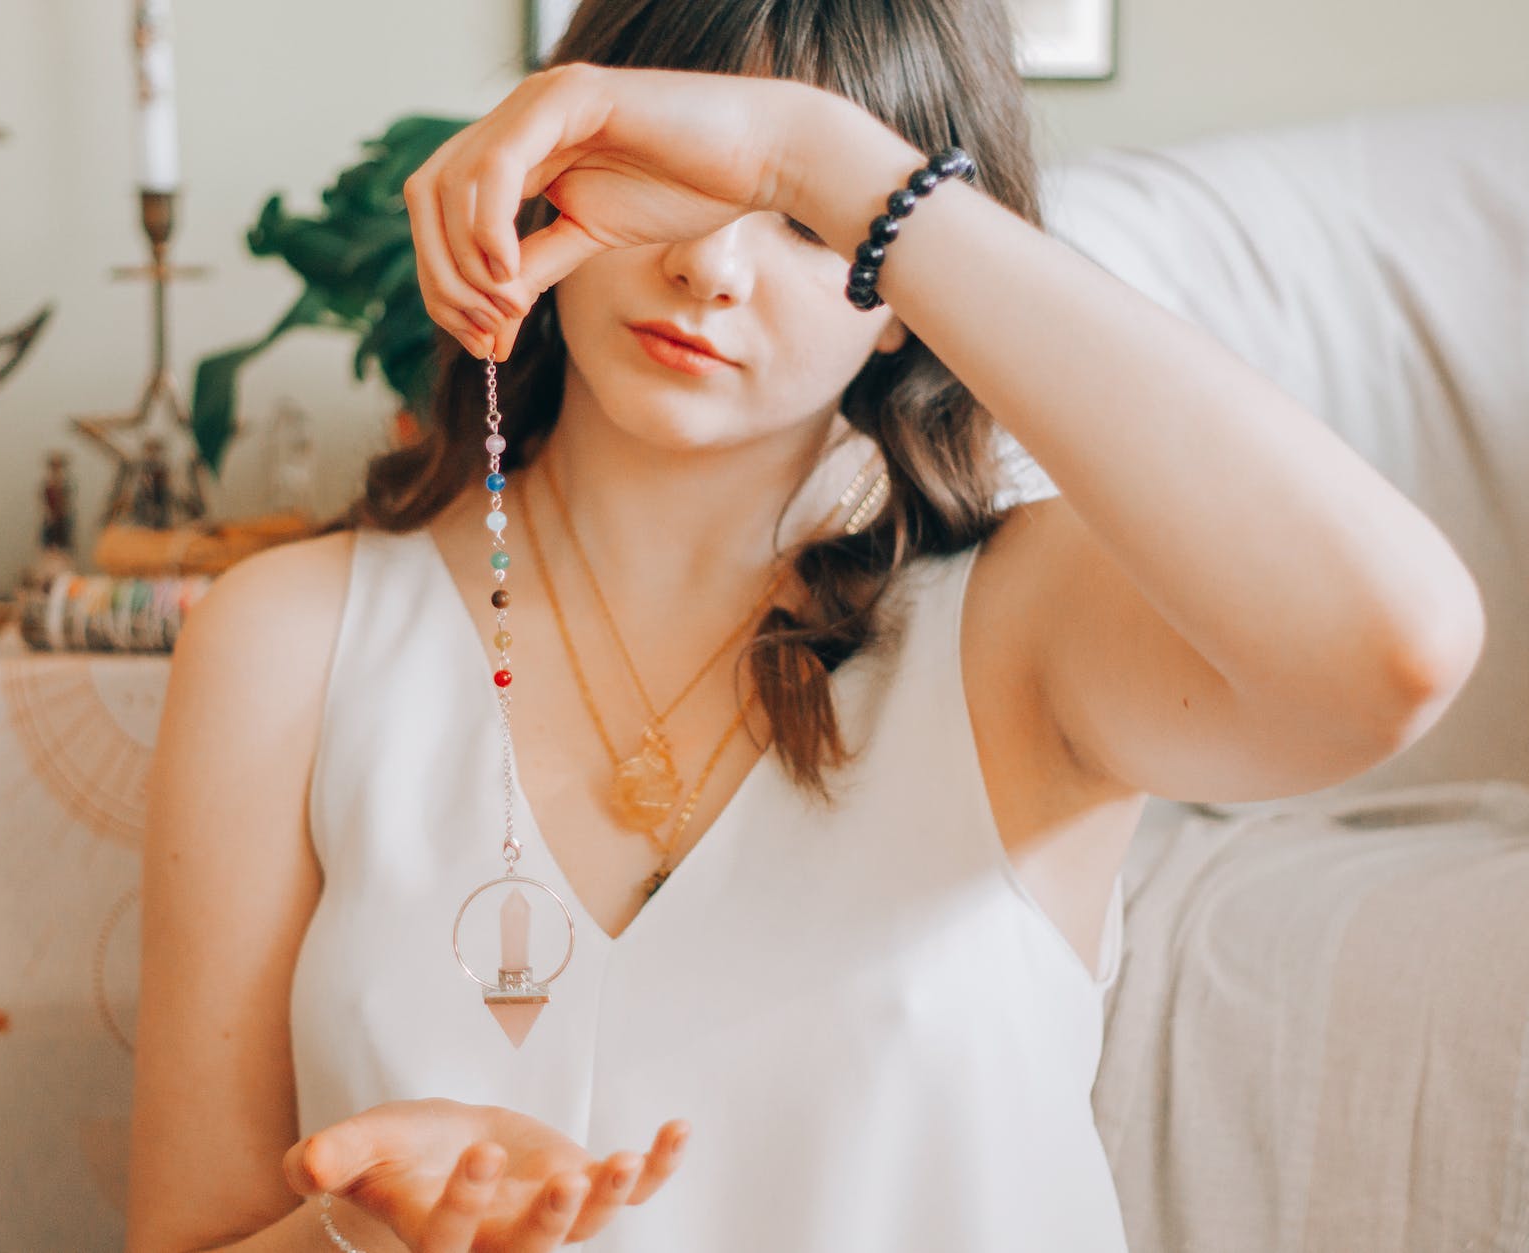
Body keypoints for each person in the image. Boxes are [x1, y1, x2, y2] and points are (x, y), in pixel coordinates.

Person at [123, 3, 1485, 1251]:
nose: (712, 264)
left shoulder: (1025, 630)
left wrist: (821, 155)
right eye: (684, 179)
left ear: (904, 300)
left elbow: (1394, 649)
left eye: (801, 225)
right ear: (556, 167)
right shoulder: (288, 641)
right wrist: (363, 1238)